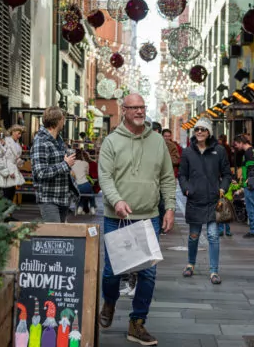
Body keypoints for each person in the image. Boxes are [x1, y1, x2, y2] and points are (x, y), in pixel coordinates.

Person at [98, 93, 176, 346]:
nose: (140, 111)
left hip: (148, 218)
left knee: (148, 274)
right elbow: (105, 177)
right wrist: (117, 200)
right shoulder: (111, 142)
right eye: (134, 108)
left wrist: (170, 208)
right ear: (124, 110)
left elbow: (166, 177)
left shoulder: (157, 141)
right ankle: (109, 301)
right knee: (111, 273)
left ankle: (137, 322)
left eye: (142, 107)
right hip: (116, 217)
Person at [179, 117, 232, 285]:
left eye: (203, 129)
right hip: (195, 199)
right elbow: (182, 175)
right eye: (197, 129)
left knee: (213, 235)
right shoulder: (188, 152)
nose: (200, 132)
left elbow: (227, 174)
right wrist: (187, 188)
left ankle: (214, 271)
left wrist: (223, 188)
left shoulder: (219, 150)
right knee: (194, 236)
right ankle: (190, 264)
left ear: (209, 132)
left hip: (213, 200)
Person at [31, 106, 80, 222]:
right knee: (53, 236)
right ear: (58, 120)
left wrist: (68, 169)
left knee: (60, 235)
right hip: (49, 199)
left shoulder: (58, 139)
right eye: (63, 119)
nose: (64, 122)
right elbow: (40, 173)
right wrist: (65, 165)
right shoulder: (41, 142)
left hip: (62, 197)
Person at [233, 134, 254, 238]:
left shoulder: (249, 153)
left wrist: (246, 182)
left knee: (252, 208)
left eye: (236, 144)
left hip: (250, 185)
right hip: (252, 183)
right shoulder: (253, 151)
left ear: (241, 142)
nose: (236, 147)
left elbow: (251, 169)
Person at [72, 149, 93, 215]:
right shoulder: (86, 163)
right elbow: (87, 174)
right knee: (90, 192)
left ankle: (80, 207)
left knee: (80, 194)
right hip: (85, 184)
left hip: (75, 185)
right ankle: (91, 207)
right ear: (82, 155)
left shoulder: (71, 163)